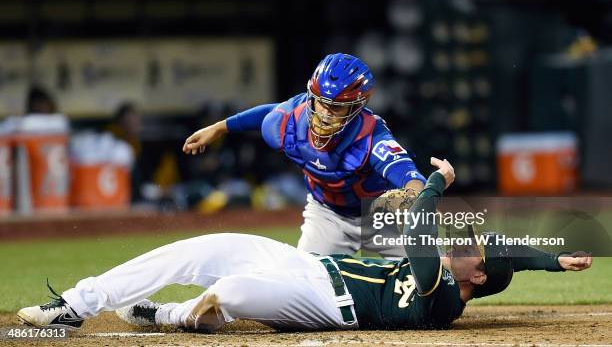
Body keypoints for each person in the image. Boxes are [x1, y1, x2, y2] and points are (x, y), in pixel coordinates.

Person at [17, 158, 592, 332]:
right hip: (309, 265)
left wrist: (438, 183)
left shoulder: (441, 299)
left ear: (474, 280)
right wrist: (554, 259)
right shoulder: (464, 268)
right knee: (205, 244)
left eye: (468, 251)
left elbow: (422, 226)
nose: (461, 240)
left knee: (230, 291)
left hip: (321, 306)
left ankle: (169, 315)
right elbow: (499, 248)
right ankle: (75, 304)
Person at [182, 53, 426, 258]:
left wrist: (411, 198)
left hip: (378, 217)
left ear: (358, 106)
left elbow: (410, 176)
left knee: (431, 281)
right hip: (326, 216)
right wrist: (218, 128)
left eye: (337, 107)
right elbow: (267, 113)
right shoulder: (289, 121)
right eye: (321, 103)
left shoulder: (372, 137)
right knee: (304, 284)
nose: (325, 114)